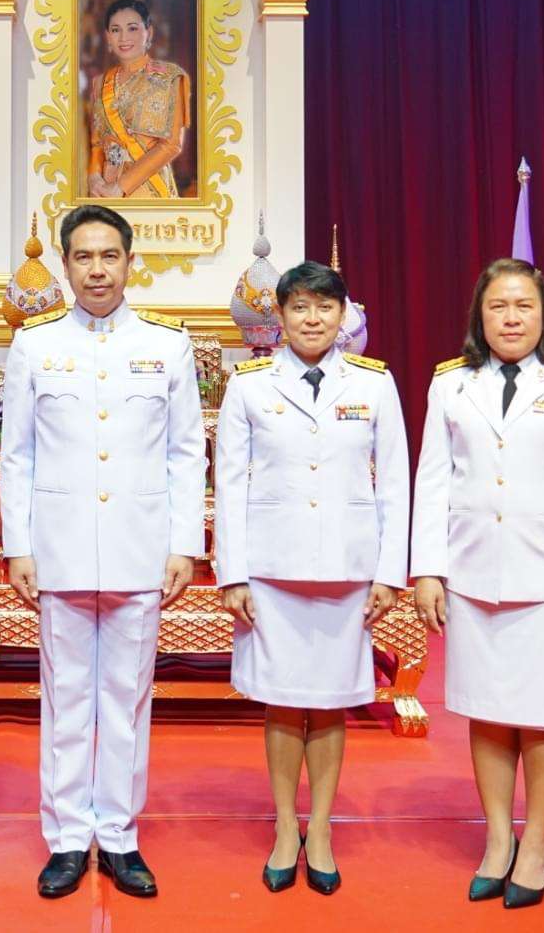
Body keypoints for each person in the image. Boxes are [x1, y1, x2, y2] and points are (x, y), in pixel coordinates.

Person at [0, 202, 206, 899]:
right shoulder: (35, 345)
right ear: (64, 264)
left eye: (109, 256)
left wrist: (184, 543)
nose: (96, 270)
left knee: (126, 698)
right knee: (65, 698)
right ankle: (65, 837)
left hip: (139, 549)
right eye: (83, 257)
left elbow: (186, 452)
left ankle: (118, 835)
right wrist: (18, 545)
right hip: (58, 549)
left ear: (129, 262)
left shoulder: (166, 345)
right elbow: (17, 454)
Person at [411, 258, 544, 909]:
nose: (510, 318)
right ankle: (499, 838)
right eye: (498, 306)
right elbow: (433, 480)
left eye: (524, 305)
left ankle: (538, 842)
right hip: (473, 574)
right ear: (480, 314)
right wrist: (428, 568)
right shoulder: (451, 383)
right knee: (490, 712)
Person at [213, 260, 407, 897]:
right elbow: (229, 485)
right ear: (281, 315)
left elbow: (395, 484)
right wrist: (233, 574)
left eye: (325, 307)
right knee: (282, 700)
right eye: (300, 307)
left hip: (347, 571)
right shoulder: (249, 385)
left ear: (343, 314)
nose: (313, 319)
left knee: (329, 703)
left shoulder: (374, 384)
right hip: (272, 571)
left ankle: (319, 828)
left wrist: (389, 571)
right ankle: (284, 827)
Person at [84, 0, 190, 199]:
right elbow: (98, 143)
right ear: (108, 37)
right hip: (106, 189)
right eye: (116, 30)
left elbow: (171, 144)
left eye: (132, 28)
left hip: (149, 190)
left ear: (149, 32)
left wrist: (121, 186)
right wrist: (94, 176)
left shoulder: (169, 77)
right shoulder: (100, 82)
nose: (123, 37)